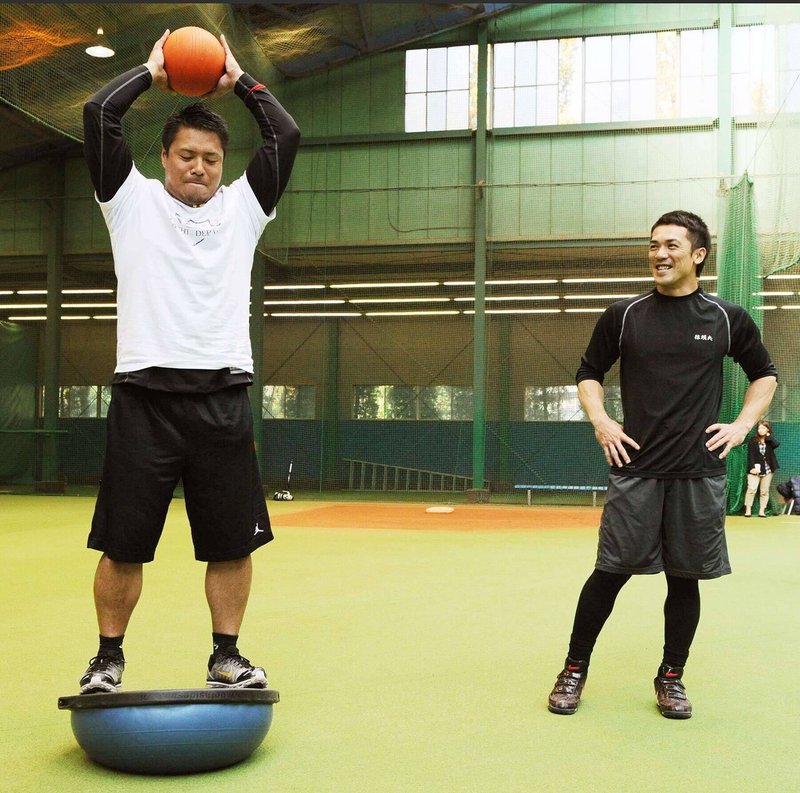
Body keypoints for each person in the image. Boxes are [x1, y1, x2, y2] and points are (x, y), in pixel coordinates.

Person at [78, 30, 300, 694]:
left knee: (231, 543)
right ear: (166, 157)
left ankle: (226, 656)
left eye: (209, 157)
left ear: (221, 163)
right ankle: (106, 659)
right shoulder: (129, 200)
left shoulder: (245, 208)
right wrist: (152, 70)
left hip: (222, 396)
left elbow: (285, 136)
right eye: (185, 155)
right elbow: (97, 115)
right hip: (144, 396)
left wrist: (239, 81)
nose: (197, 166)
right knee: (123, 544)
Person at [547, 210, 777, 719]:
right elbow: (588, 372)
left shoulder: (726, 318)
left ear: (698, 255)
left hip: (699, 473)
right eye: (653, 245)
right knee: (609, 573)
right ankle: (573, 669)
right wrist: (602, 421)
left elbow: (765, 375)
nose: (659, 254)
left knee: (685, 579)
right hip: (637, 472)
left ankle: (671, 678)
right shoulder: (624, 315)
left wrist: (740, 427)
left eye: (672, 245)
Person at [744, 420, 779, 517]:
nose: (760, 430)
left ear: (767, 429)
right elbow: (750, 455)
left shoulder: (770, 440)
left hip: (768, 469)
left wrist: (768, 437)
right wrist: (751, 468)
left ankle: (762, 511)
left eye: (763, 428)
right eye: (759, 428)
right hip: (755, 469)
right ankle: (748, 510)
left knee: (764, 491)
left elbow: (776, 444)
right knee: (751, 488)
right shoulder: (753, 440)